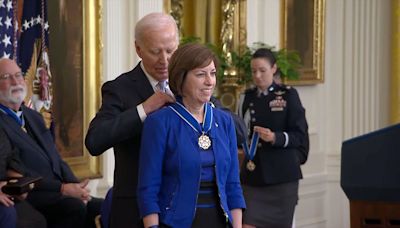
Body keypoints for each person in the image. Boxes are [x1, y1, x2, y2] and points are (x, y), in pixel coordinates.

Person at [85, 12, 246, 228]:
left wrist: (202, 105)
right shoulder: (120, 89)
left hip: (189, 212)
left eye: (170, 51)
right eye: (155, 52)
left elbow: (238, 131)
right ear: (138, 49)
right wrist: (145, 108)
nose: (165, 60)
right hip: (134, 210)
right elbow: (95, 140)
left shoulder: (193, 81)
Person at [137, 43, 245, 228]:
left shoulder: (225, 121)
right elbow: (148, 187)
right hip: (174, 222)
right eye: (201, 74)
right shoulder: (160, 122)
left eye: (212, 73)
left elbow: (233, 185)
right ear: (181, 78)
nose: (209, 81)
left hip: (219, 221)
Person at [0, 58, 103, 228]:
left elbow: (55, 158)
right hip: (33, 194)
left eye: (18, 75)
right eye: (6, 77)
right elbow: (18, 172)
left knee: (103, 206)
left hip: (59, 191)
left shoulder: (33, 116)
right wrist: (63, 189)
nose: (16, 81)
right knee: (73, 208)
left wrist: (77, 187)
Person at [237, 48, 309, 228]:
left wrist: (274, 137)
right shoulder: (246, 97)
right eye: (254, 71)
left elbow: (299, 136)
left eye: (262, 70)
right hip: (253, 174)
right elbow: (240, 131)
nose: (257, 75)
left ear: (274, 68)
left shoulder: (288, 95)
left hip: (282, 175)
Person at [0, 126, 46, 228]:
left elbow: (11, 156)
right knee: (8, 213)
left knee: (37, 221)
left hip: (4, 190)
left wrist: (19, 184)